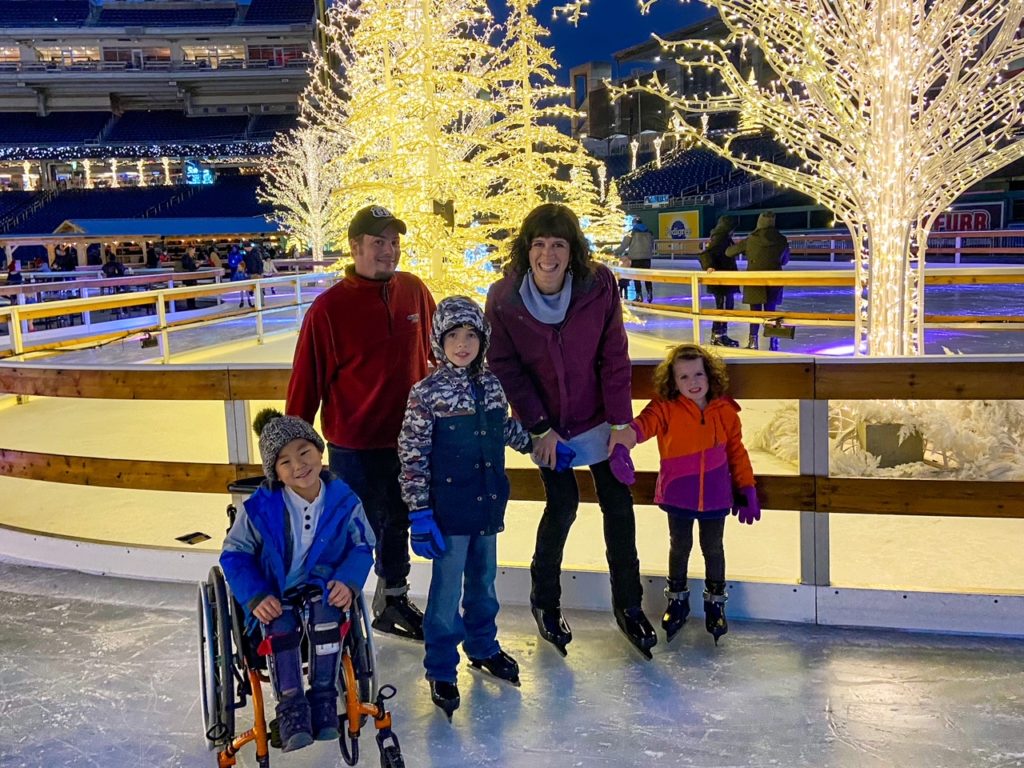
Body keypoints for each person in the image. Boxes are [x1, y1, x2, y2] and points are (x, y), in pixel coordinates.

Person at [485, 203, 657, 659]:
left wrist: (622, 425)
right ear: (527, 249)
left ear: (572, 250)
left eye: (558, 244)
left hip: (599, 418)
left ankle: (629, 604)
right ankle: (545, 601)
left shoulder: (597, 285)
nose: (548, 254)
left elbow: (613, 355)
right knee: (562, 506)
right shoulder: (504, 298)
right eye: (539, 244)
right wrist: (539, 427)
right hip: (549, 427)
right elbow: (504, 365)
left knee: (619, 508)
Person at [287, 204, 436, 641]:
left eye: (394, 242)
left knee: (400, 522)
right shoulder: (328, 309)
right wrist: (292, 451)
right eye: (378, 242)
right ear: (354, 247)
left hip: (409, 442)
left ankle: (392, 600)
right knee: (354, 530)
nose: (389, 251)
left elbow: (439, 354)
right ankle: (334, 609)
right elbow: (305, 385)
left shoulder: (413, 292)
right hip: (354, 446)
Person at [398, 295, 537, 719]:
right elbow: (412, 454)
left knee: (484, 582)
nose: (462, 344)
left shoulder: (491, 385)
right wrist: (419, 513)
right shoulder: (427, 393)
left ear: (483, 338)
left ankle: (482, 646)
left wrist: (536, 444)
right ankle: (441, 666)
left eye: (471, 335)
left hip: (488, 503)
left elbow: (504, 427)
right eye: (453, 335)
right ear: (440, 341)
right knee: (445, 593)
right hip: (448, 512)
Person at [221, 409, 375, 753]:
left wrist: (348, 582)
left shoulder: (345, 501)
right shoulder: (258, 510)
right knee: (280, 626)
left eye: (304, 453)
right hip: (275, 592)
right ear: (274, 473)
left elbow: (362, 545)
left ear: (320, 452)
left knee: (327, 617)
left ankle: (323, 698)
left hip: (321, 587)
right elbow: (235, 556)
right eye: (285, 462)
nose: (298, 466)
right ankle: (290, 709)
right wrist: (256, 595)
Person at [617, 343, 759, 645]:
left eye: (698, 374)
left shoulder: (726, 411)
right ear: (672, 382)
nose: (693, 382)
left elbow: (737, 452)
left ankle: (715, 602)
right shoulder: (665, 408)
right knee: (679, 547)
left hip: (717, 495)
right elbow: (642, 426)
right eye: (683, 377)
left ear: (710, 376)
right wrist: (621, 443)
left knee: (713, 548)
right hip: (678, 494)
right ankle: (677, 600)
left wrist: (746, 487)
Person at [726, 211, 790, 350]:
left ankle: (753, 342)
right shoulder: (781, 239)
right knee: (771, 312)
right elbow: (785, 261)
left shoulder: (751, 239)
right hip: (774, 281)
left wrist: (746, 250)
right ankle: (773, 343)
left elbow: (729, 252)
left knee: (754, 312)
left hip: (754, 280)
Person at [698, 215, 741, 347]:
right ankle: (717, 335)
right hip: (721, 281)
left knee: (726, 308)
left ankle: (721, 334)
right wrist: (709, 266)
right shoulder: (720, 238)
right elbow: (705, 254)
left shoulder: (724, 238)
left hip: (725, 280)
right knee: (722, 308)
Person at [615, 219, 655, 303]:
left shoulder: (631, 232)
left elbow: (624, 245)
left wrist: (616, 252)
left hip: (635, 258)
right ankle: (649, 291)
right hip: (647, 258)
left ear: (634, 223)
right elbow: (652, 244)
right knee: (647, 276)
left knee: (636, 277)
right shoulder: (649, 232)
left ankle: (639, 295)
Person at [180, 245, 199, 310]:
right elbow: (187, 266)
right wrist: (195, 265)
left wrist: (197, 265)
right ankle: (190, 306)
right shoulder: (185, 257)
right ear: (190, 250)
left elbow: (193, 267)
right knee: (189, 292)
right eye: (194, 250)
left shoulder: (191, 257)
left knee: (192, 292)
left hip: (192, 277)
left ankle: (192, 305)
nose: (194, 252)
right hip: (188, 278)